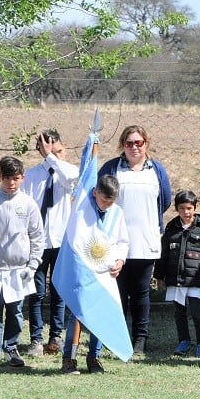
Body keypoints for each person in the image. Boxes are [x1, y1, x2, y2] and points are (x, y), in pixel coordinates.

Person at [99, 125, 172, 354]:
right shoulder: (112, 168)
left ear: (146, 144)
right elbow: (100, 196)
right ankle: (117, 339)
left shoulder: (156, 170)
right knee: (117, 294)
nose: (134, 147)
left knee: (141, 294)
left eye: (138, 143)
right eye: (129, 143)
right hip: (115, 245)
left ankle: (140, 340)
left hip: (145, 243)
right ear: (122, 145)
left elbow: (166, 200)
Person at [60, 175, 129, 375]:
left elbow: (123, 242)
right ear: (95, 192)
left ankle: (94, 357)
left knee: (101, 312)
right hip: (84, 271)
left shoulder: (117, 213)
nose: (107, 205)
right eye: (103, 200)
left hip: (105, 273)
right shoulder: (82, 212)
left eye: (111, 201)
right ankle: (69, 359)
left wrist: (120, 260)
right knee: (78, 314)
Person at [0, 156, 44, 369]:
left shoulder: (28, 204)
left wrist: (32, 265)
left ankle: (11, 347)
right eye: (6, 178)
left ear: (22, 178)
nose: (11, 183)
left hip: (18, 270)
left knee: (16, 311)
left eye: (15, 178)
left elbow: (37, 236)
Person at [21, 129, 79, 357]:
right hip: (38, 241)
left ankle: (56, 334)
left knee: (59, 289)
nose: (56, 155)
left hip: (61, 239)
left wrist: (52, 158)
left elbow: (72, 179)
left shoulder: (66, 171)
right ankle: (36, 338)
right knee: (36, 292)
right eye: (49, 151)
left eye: (59, 151)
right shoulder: (32, 175)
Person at [154, 190, 200, 359]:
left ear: (194, 208)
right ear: (177, 209)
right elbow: (163, 254)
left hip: (195, 280)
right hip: (176, 279)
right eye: (182, 208)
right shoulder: (171, 229)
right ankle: (184, 341)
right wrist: (159, 276)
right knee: (179, 313)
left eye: (189, 208)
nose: (186, 212)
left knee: (196, 312)